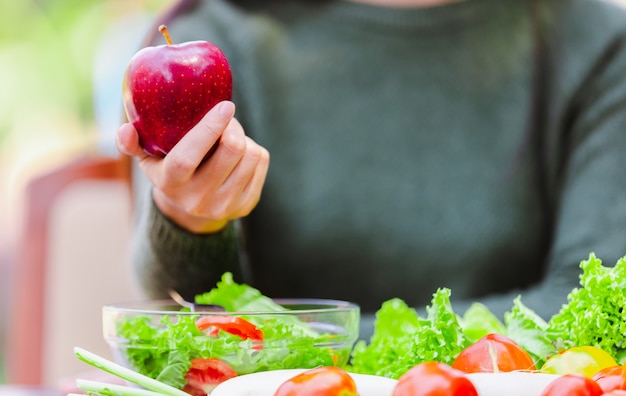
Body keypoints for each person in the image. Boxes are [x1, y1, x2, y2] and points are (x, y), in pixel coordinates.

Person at [116, 0, 626, 340]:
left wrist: (314, 348)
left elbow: (587, 303)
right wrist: (190, 222)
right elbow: (195, 323)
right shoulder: (215, 35)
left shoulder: (597, 41)